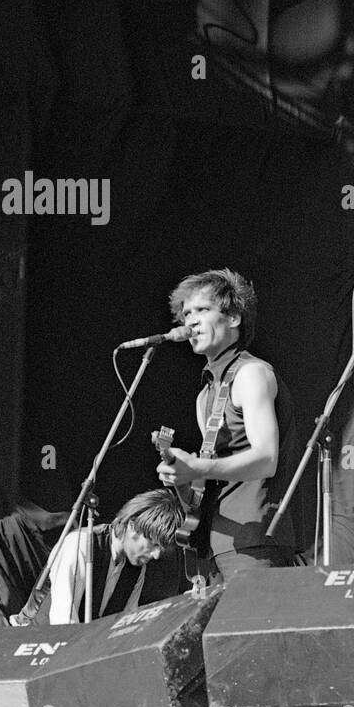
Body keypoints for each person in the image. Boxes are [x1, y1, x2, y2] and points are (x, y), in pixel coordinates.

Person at [158, 268, 298, 582]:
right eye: (186, 314)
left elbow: (266, 458)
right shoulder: (204, 394)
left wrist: (197, 468)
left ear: (233, 318)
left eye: (202, 310)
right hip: (213, 540)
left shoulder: (251, 373)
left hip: (255, 539)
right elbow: (209, 477)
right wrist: (179, 473)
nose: (190, 321)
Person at [45, 488, 183, 625]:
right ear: (132, 526)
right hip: (37, 639)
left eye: (161, 549)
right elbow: (62, 622)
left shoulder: (137, 568)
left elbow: (125, 625)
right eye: (153, 544)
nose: (156, 555)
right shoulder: (80, 545)